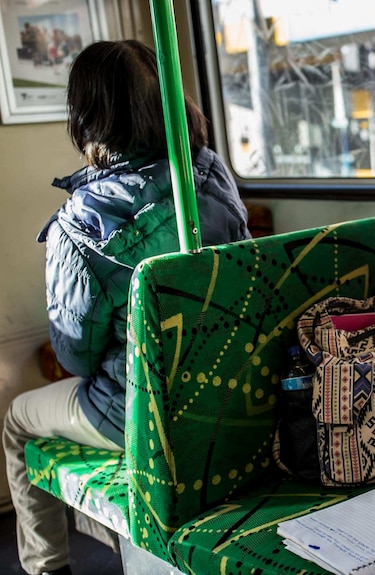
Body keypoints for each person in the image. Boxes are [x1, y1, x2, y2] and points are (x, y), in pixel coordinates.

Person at [3, 40, 250, 575]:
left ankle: (47, 567)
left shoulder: (79, 223)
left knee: (18, 419)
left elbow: (76, 358)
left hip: (142, 414)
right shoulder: (210, 174)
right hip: (230, 386)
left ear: (87, 117)